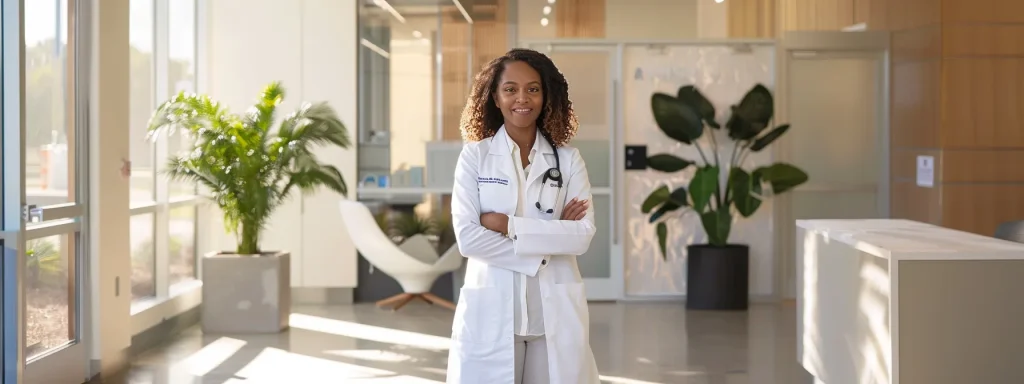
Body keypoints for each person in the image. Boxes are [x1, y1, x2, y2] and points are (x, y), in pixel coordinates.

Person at [446, 48, 600, 384]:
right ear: (495, 98)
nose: (522, 99)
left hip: (553, 316)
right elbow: (469, 239)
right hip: (493, 310)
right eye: (510, 89)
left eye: (533, 89)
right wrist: (547, 244)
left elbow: (583, 235)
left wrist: (507, 225)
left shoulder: (568, 160)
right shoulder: (475, 157)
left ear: (546, 97)